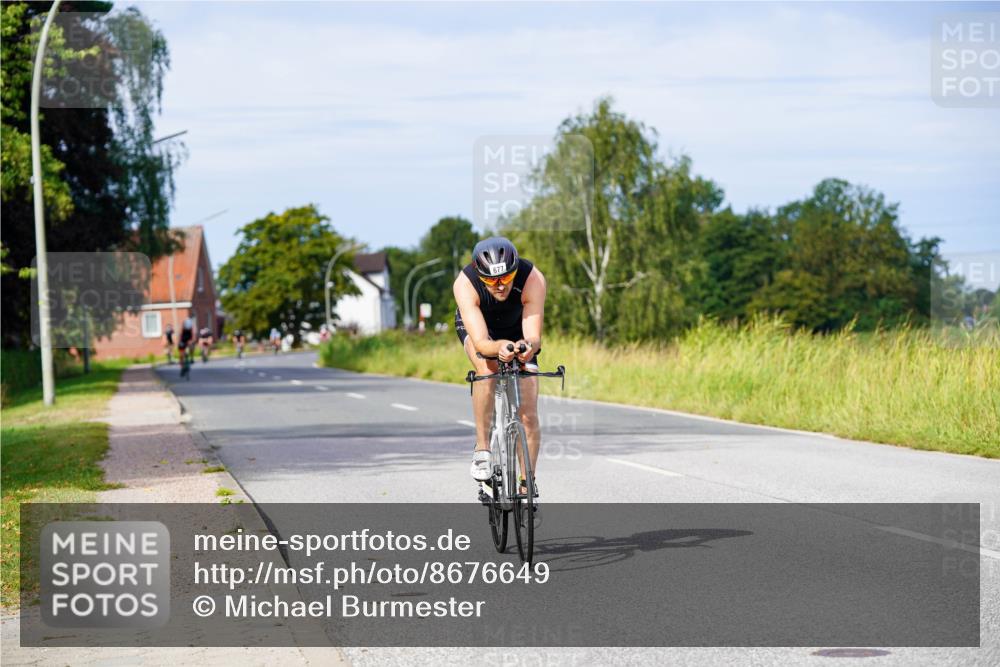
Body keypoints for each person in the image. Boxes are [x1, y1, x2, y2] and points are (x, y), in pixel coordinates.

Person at [453, 237, 546, 500]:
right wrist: (500, 346)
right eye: (492, 280)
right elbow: (482, 343)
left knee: (528, 412)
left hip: (517, 327)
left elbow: (533, 336)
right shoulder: (465, 284)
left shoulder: (532, 278)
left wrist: (529, 346)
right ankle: (483, 449)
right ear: (480, 275)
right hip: (482, 329)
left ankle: (528, 481)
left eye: (507, 277)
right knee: (486, 367)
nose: (501, 285)